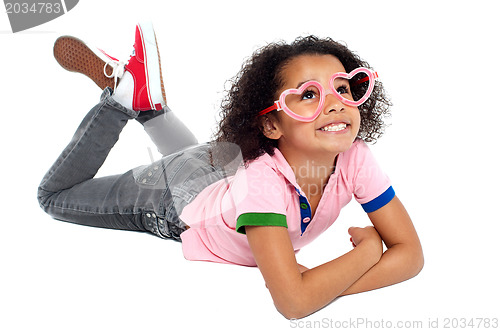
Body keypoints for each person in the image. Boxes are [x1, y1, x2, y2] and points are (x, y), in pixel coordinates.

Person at [38, 22, 424, 319]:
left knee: (196, 162)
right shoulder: (263, 185)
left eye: (343, 88)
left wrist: (325, 284)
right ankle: (122, 100)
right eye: (308, 95)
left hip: (223, 167)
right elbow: (294, 302)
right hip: (177, 201)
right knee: (52, 197)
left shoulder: (355, 156)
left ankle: (147, 101)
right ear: (271, 125)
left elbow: (412, 257)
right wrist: (370, 250)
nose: (336, 103)